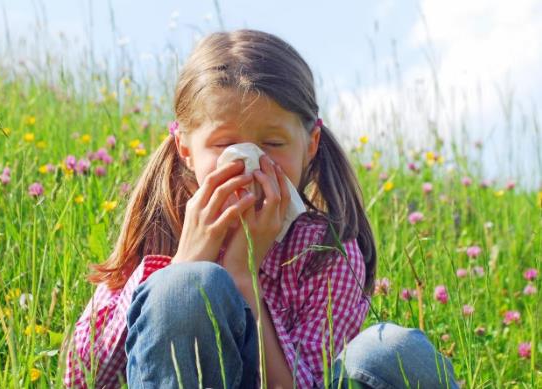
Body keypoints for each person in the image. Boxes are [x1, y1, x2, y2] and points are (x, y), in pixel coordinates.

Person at [61, 29, 459, 389]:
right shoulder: (161, 229)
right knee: (185, 289)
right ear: (185, 147)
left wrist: (242, 274)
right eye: (223, 145)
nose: (250, 161)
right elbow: (82, 378)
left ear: (311, 143)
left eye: (272, 144)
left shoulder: (324, 252)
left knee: (387, 352)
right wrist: (183, 263)